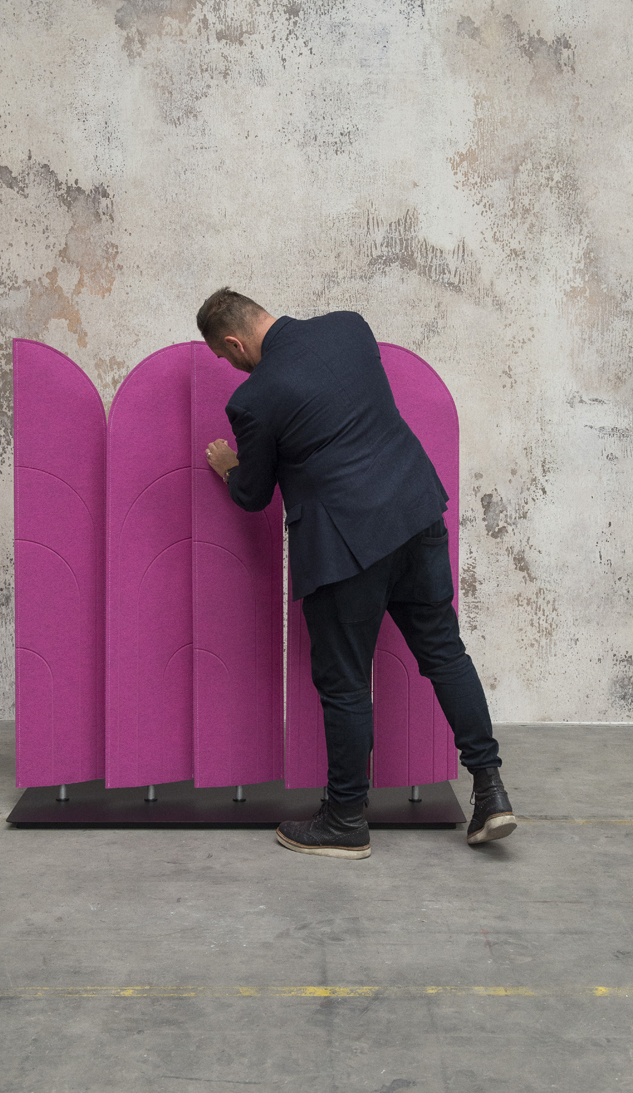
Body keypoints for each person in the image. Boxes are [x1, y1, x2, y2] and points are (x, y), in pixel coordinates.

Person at [198, 288, 515, 860]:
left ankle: (345, 820)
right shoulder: (350, 327)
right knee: (445, 654)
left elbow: (254, 493)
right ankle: (491, 791)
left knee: (345, 683)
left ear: (234, 343)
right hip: (414, 513)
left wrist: (229, 468)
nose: (233, 367)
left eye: (227, 358)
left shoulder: (254, 398)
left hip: (344, 547)